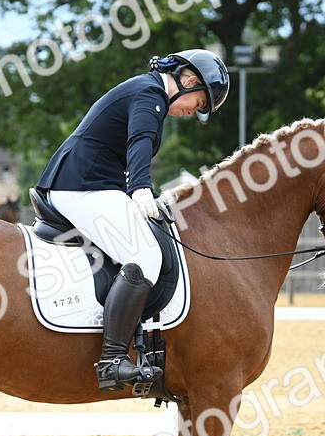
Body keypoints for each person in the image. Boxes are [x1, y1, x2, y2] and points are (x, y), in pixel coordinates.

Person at [35, 48, 229, 391]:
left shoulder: (147, 92)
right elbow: (138, 142)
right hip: (81, 185)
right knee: (144, 256)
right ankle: (112, 360)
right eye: (197, 104)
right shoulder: (149, 92)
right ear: (189, 81)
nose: (190, 113)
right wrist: (140, 189)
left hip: (91, 184)